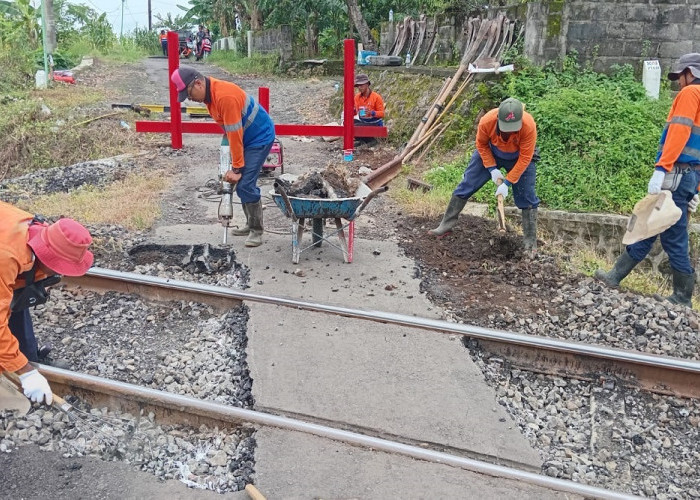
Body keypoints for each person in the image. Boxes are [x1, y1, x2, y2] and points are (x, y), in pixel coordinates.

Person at [595, 53, 700, 307]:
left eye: (680, 77)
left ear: (690, 72)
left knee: (660, 228)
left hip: (676, 173)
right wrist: (696, 189)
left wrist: (661, 169)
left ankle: (681, 297)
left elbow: (679, 132)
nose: (678, 83)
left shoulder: (690, 94)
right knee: (657, 228)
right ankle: (617, 277)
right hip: (689, 177)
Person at [1, 201, 94, 405]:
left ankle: (25, 356)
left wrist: (24, 362)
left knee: (15, 297)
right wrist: (26, 373)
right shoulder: (6, 258)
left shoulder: (36, 230)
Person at [171, 67, 276, 247]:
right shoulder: (210, 97)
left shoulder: (224, 97)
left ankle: (256, 230)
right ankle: (249, 224)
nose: (190, 99)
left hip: (259, 137)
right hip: (245, 137)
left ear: (198, 83)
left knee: (244, 183)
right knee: (242, 183)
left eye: (189, 94)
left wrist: (236, 168)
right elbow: (229, 130)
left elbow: (235, 134)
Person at [429, 97, 540, 254]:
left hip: (518, 157)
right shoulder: (487, 121)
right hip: (491, 151)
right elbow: (481, 144)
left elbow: (525, 158)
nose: (509, 131)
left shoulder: (528, 125)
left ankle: (530, 245)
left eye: (513, 128)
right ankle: (445, 226)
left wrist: (507, 183)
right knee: (467, 184)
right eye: (506, 128)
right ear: (498, 119)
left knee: (527, 197)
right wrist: (491, 168)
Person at [353, 74, 385, 146]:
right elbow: (355, 112)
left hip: (375, 123)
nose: (359, 87)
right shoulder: (357, 97)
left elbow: (382, 114)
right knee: (348, 123)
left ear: (367, 84)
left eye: (361, 85)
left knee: (356, 126)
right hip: (363, 121)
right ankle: (362, 139)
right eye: (358, 86)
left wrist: (372, 113)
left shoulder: (376, 97)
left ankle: (371, 140)